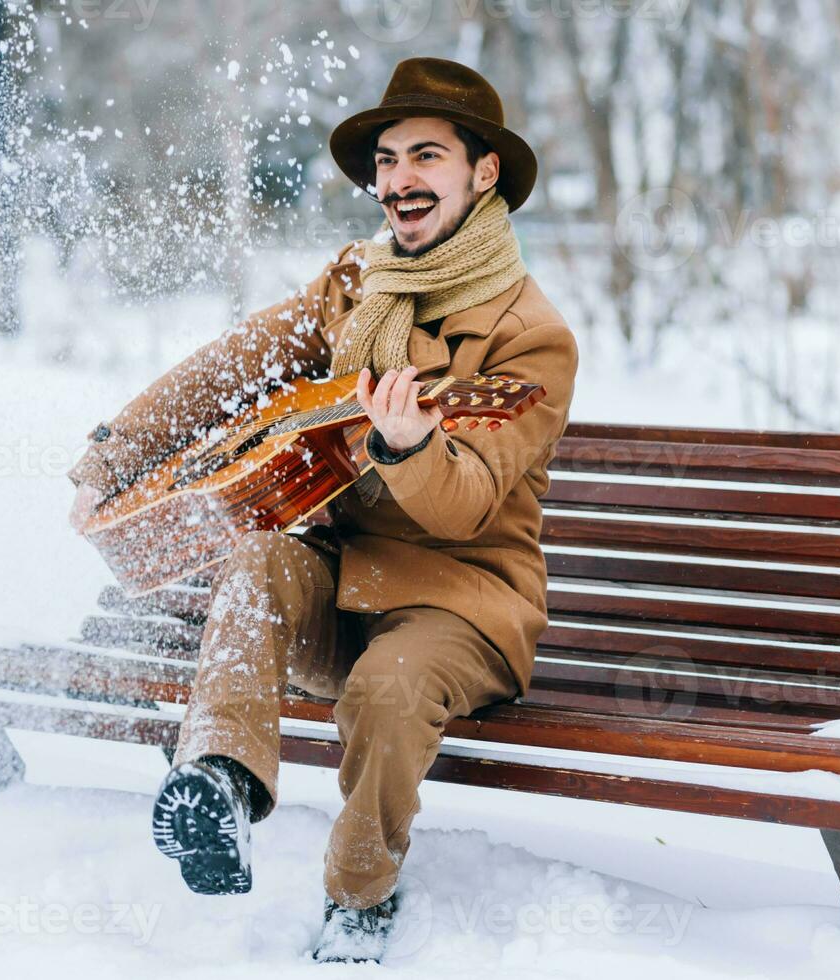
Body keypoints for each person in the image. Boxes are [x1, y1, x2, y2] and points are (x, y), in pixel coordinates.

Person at [67, 57, 579, 964]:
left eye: (426, 156)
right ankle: (219, 785)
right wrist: (114, 455)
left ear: (483, 172)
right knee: (259, 561)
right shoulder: (354, 288)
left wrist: (411, 446)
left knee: (388, 686)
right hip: (343, 587)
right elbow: (231, 366)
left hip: (463, 603)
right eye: (386, 161)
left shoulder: (529, 338)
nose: (398, 181)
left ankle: (362, 896)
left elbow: (463, 509)